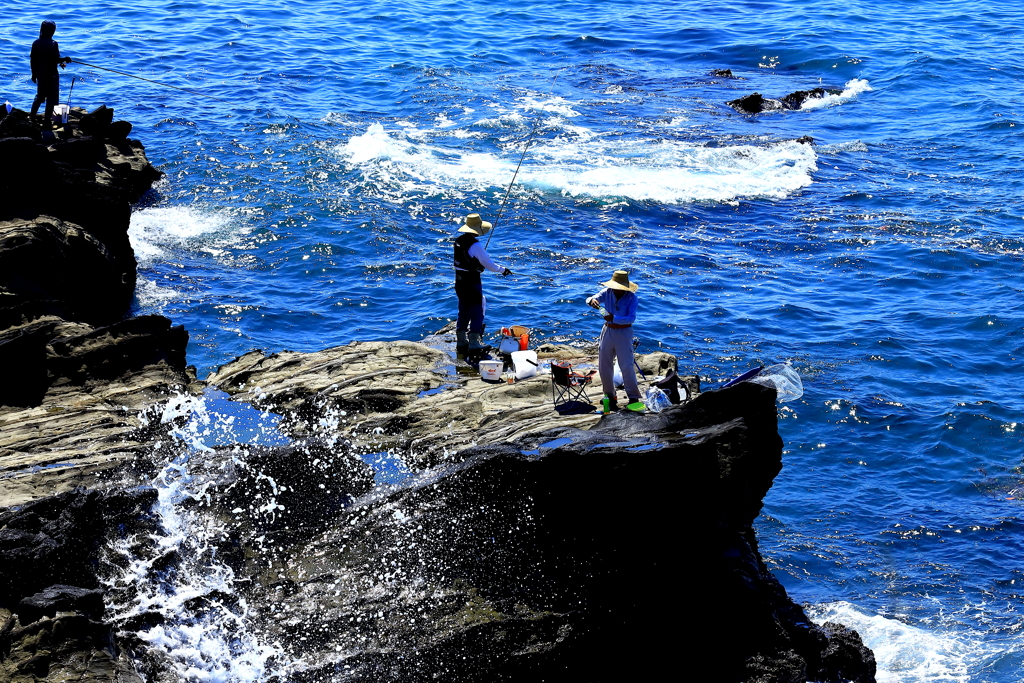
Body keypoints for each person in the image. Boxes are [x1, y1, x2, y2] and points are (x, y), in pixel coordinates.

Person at [453, 213, 511, 354]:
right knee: (477, 310)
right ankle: (474, 342)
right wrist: (502, 270)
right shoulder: (476, 245)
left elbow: (465, 261)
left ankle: (461, 340)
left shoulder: (458, 241)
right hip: (471, 282)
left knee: (464, 308)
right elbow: (488, 264)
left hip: (459, 281)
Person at [587, 270, 643, 411]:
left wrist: (614, 318)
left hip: (624, 332)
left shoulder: (632, 298)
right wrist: (592, 301)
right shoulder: (607, 292)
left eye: (618, 287)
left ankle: (633, 397)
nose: (615, 289)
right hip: (607, 330)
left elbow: (631, 318)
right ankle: (610, 395)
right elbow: (591, 299)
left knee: (626, 365)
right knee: (604, 365)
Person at [30, 20, 71, 129]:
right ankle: (47, 121)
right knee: (51, 98)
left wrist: (34, 74)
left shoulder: (36, 43)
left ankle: (32, 117)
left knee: (39, 97)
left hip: (40, 75)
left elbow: (33, 60)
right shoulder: (53, 44)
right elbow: (55, 60)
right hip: (51, 75)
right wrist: (65, 59)